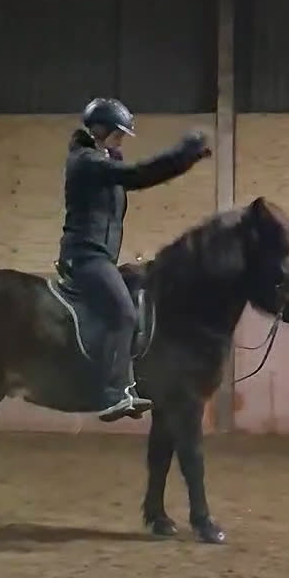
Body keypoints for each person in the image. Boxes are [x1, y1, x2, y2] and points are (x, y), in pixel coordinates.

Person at [58, 97, 212, 423]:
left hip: (103, 257)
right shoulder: (86, 161)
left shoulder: (102, 159)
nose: (121, 139)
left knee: (141, 291)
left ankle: (135, 381)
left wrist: (187, 159)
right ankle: (113, 393)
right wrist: (182, 156)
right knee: (123, 312)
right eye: (118, 133)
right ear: (99, 130)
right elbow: (138, 175)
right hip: (85, 257)